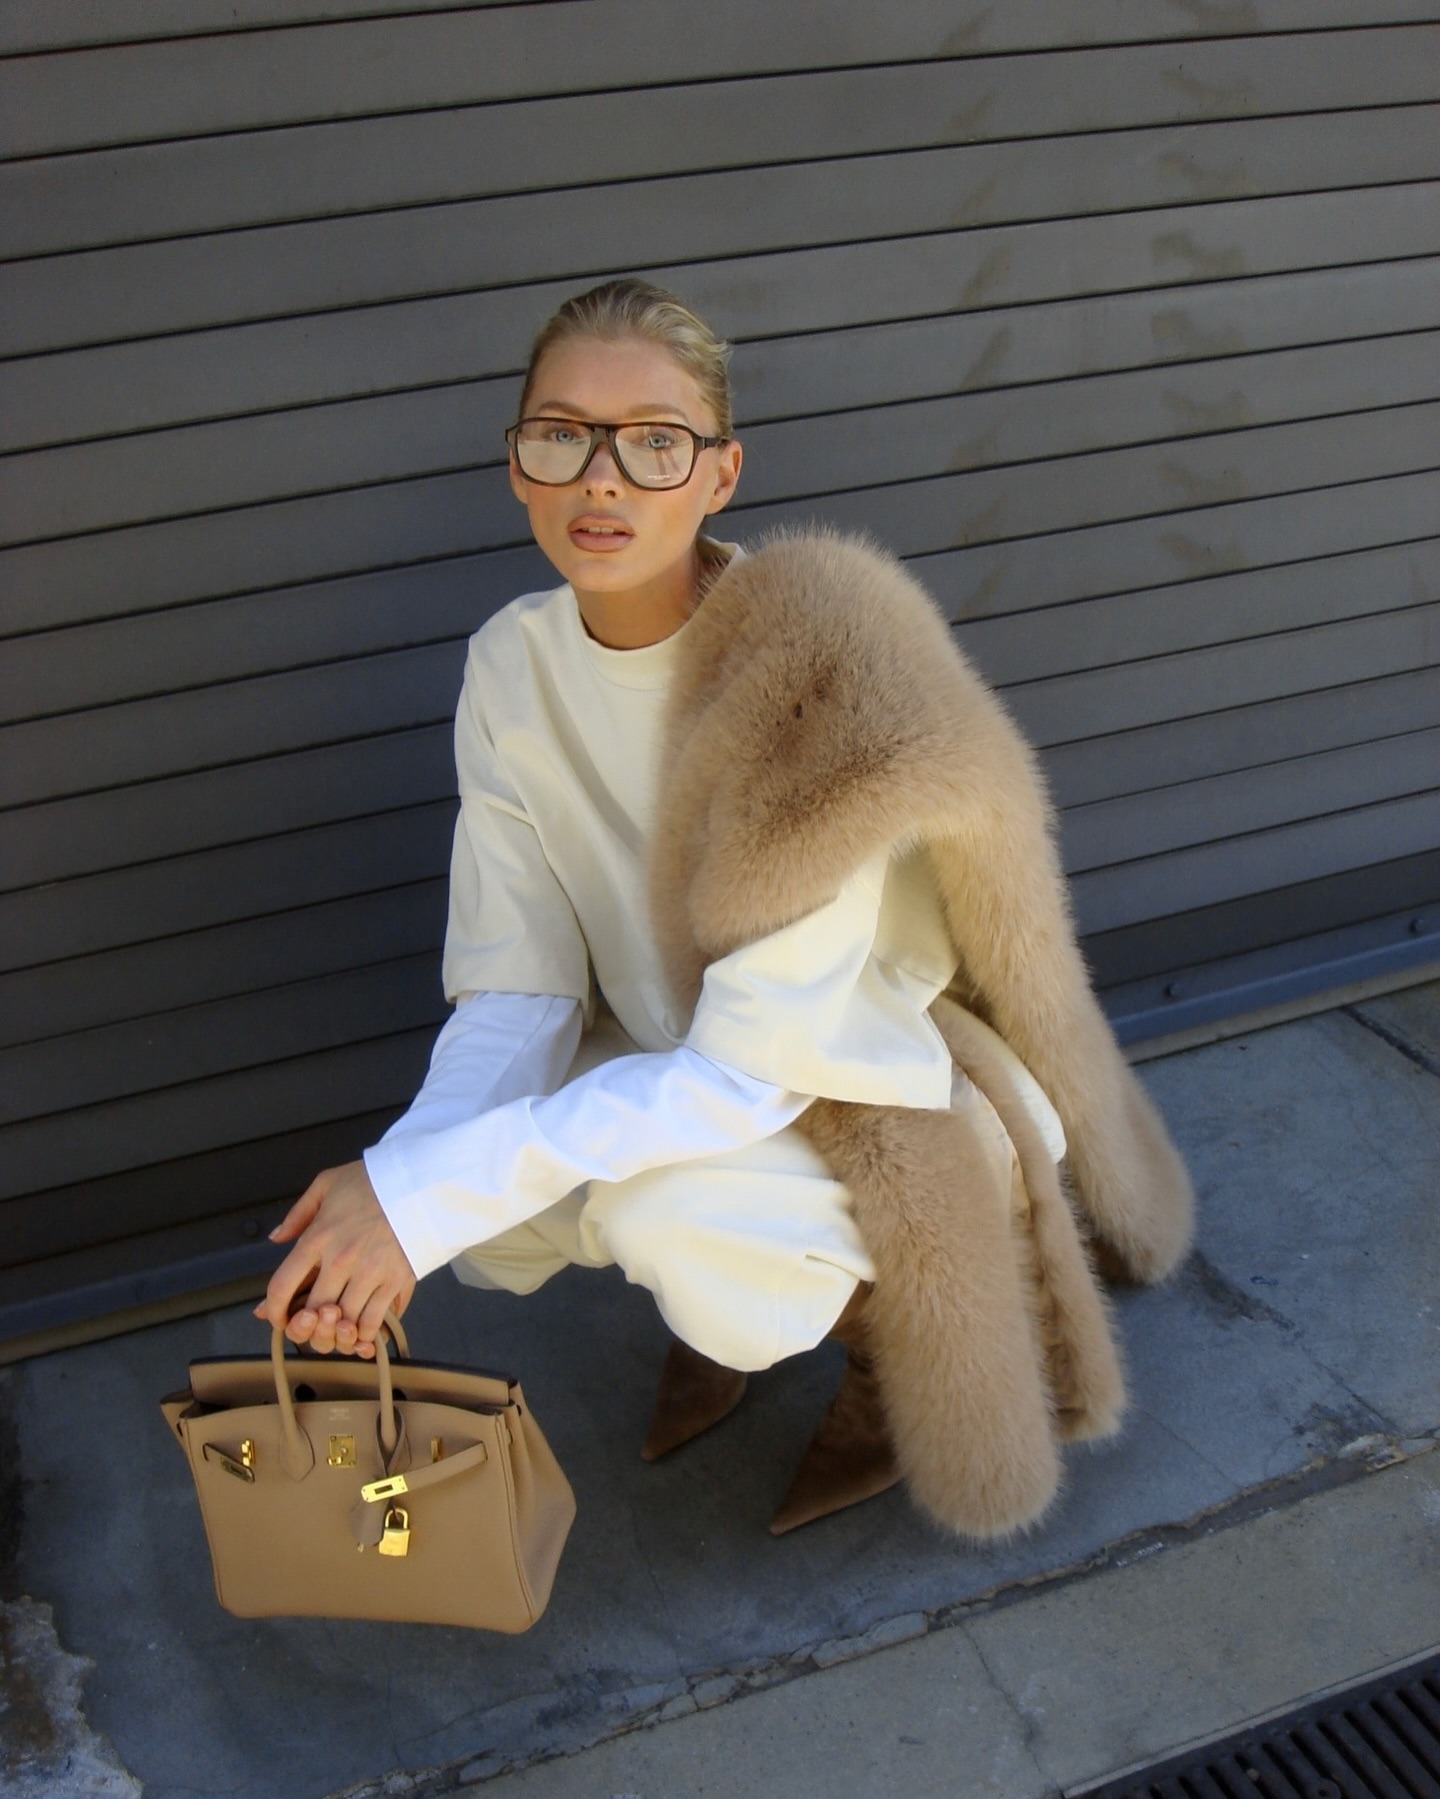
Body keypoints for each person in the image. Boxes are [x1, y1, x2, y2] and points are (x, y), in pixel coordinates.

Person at [256, 278, 1113, 1534]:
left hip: (840, 1066)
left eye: (655, 442)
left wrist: (424, 1194)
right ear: (517, 465)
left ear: (720, 473)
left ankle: (878, 1336)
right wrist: (401, 1191)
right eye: (563, 435)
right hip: (665, 1035)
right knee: (487, 1210)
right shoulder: (512, 662)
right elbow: (522, 979)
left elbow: (749, 1068)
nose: (602, 479)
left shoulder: (808, 672)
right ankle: (705, 1296)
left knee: (673, 1217)